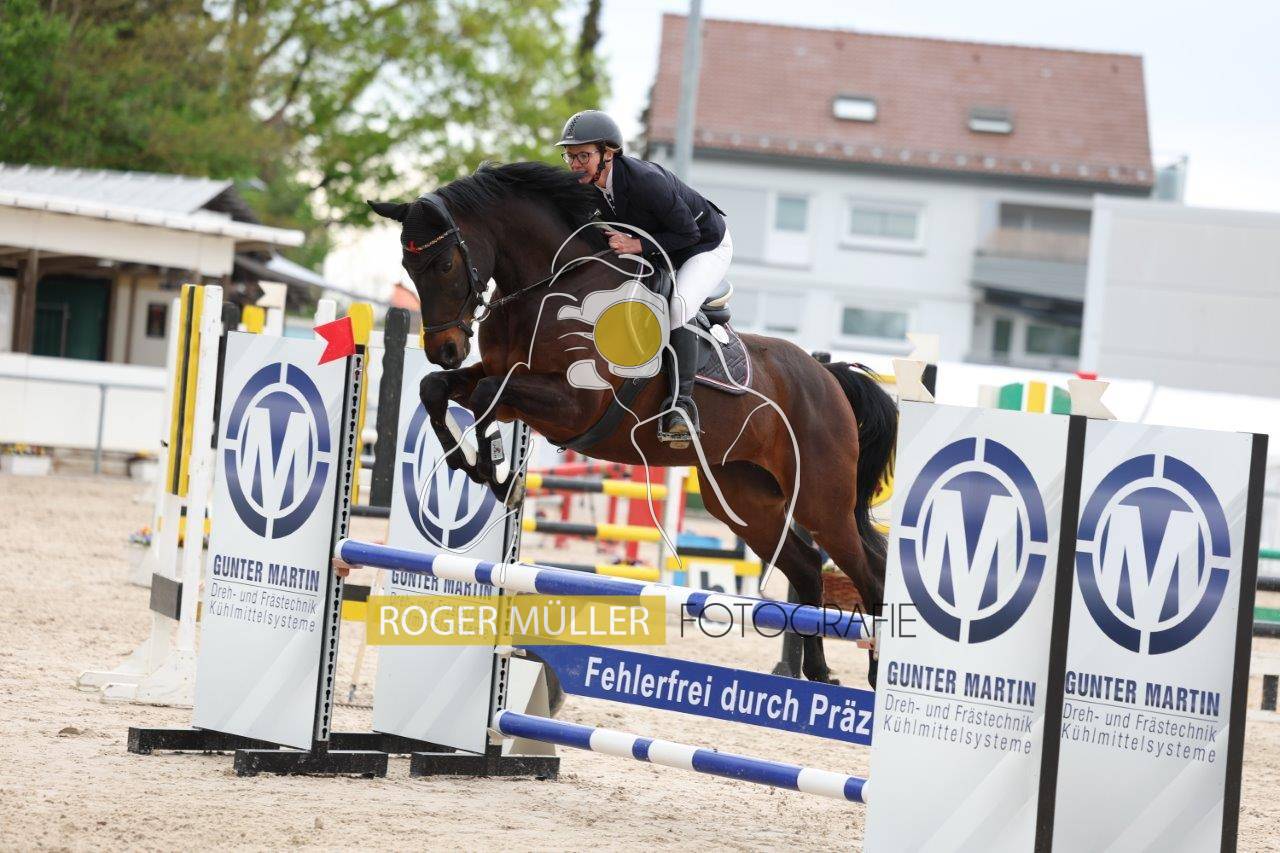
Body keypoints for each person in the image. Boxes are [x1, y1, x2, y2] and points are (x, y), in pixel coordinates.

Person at [557, 109, 732, 448]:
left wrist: (635, 244)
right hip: (661, 247)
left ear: (608, 154)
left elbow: (689, 233)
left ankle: (681, 407)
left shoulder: (644, 181)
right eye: (570, 156)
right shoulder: (587, 188)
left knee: (677, 306)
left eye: (583, 156)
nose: (575, 164)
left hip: (704, 245)